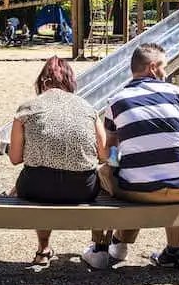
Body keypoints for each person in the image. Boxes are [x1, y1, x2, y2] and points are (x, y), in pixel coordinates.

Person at [91, 42, 179, 269]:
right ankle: (174, 248)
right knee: (170, 167)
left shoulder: (117, 101)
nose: (166, 72)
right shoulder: (177, 95)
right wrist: (172, 146)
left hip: (139, 191)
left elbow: (107, 152)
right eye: (165, 67)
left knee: (106, 172)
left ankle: (101, 248)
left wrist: (120, 159)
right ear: (153, 68)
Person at [8, 56, 107, 270]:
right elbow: (103, 154)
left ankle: (43, 248)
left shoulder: (27, 108)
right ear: (70, 81)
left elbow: (15, 158)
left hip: (36, 187)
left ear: (42, 81)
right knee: (103, 179)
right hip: (82, 188)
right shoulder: (88, 108)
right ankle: (99, 247)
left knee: (37, 173)